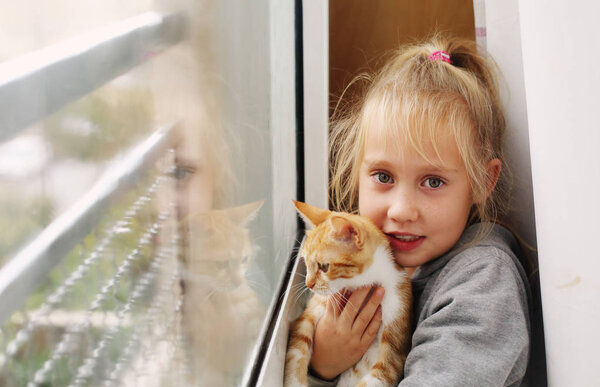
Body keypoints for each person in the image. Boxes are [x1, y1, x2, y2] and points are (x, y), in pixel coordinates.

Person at [307, 35, 532, 386]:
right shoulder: (362, 256)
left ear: (481, 183)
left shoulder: (484, 282)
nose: (401, 210)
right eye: (383, 176)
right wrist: (322, 365)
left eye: (433, 182)